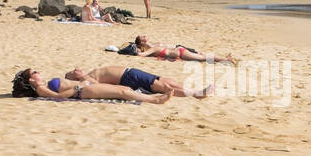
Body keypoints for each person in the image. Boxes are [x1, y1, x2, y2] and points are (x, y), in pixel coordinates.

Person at [12, 68, 171, 104]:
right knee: (122, 91)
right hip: (83, 91)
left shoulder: (44, 84)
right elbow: (58, 97)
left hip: (84, 87)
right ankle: (155, 100)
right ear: (31, 80)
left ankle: (152, 98)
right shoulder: (40, 89)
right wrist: (79, 86)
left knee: (123, 90)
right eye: (35, 72)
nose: (39, 72)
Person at [65, 65, 213, 98]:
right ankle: (195, 94)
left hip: (131, 73)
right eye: (72, 71)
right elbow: (99, 87)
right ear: (74, 77)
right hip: (128, 77)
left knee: (167, 81)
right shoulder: (85, 78)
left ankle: (194, 90)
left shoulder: (89, 74)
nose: (76, 69)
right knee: (163, 86)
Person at [127, 35, 237, 65]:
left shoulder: (153, 48)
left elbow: (142, 55)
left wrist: (136, 52)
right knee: (202, 57)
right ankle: (225, 59)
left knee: (203, 58)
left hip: (180, 52)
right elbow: (144, 54)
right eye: (143, 37)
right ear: (142, 42)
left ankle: (226, 59)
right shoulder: (152, 48)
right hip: (179, 51)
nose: (145, 36)